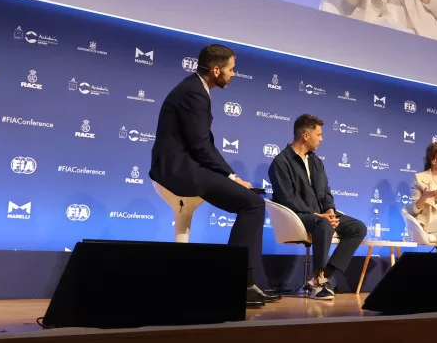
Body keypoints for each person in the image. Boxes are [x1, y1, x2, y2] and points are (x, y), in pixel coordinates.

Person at [149, 44, 278, 306]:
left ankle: (244, 281)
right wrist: (232, 178)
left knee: (251, 200)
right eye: (231, 69)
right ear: (216, 70)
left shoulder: (195, 89)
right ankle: (236, 281)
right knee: (252, 202)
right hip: (179, 171)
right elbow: (200, 146)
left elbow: (201, 146)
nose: (233, 74)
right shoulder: (194, 93)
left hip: (189, 167)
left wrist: (232, 177)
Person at [268, 114, 367, 299]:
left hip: (321, 214)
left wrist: (329, 209)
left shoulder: (316, 161)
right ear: (306, 135)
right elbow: (286, 197)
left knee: (358, 228)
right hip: (298, 215)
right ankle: (319, 282)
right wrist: (316, 214)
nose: (321, 139)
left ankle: (321, 278)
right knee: (323, 224)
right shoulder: (281, 162)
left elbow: (325, 190)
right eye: (319, 134)